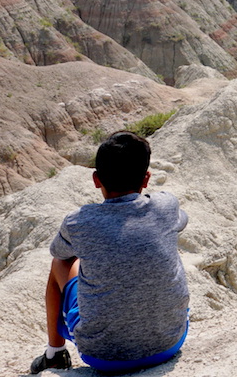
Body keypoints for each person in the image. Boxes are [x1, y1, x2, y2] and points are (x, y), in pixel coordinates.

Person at [31, 131, 190, 373]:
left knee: (60, 264)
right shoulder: (166, 206)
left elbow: (60, 252)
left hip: (102, 355)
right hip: (169, 342)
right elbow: (181, 221)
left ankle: (55, 353)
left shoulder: (78, 222)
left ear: (96, 180)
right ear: (146, 179)